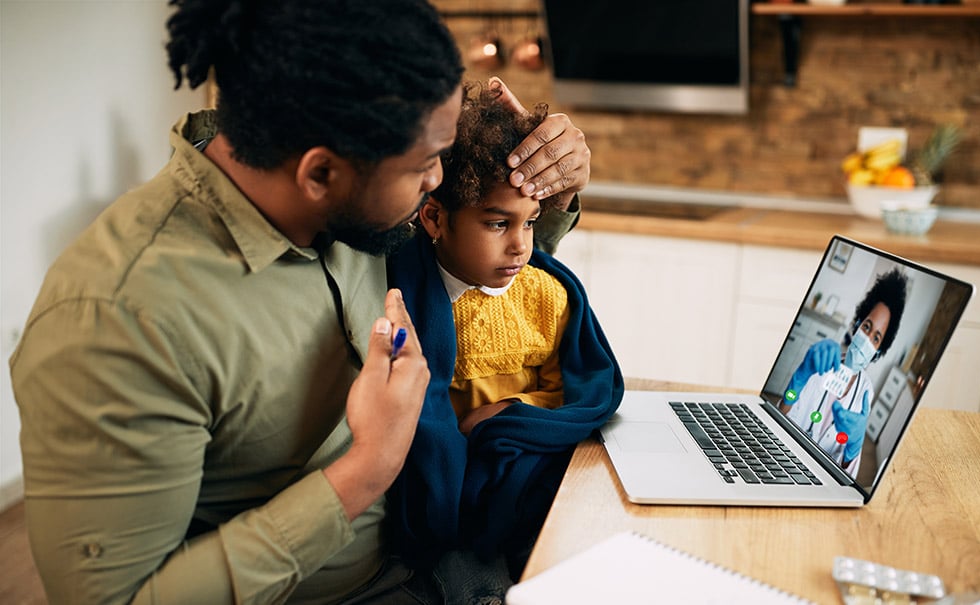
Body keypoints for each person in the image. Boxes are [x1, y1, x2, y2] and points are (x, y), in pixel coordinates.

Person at [7, 1, 594, 603]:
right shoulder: (118, 321)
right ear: (320, 175)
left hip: (439, 554)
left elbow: (469, 259)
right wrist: (366, 470)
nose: (437, 183)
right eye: (424, 165)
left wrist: (552, 184)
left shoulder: (351, 195)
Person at [385, 84, 623, 593]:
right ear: (434, 219)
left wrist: (510, 411)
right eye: (497, 223)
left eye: (532, 223)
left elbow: (569, 393)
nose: (521, 245)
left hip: (517, 476)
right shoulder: (399, 296)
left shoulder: (545, 297)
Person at [779, 269, 908, 476]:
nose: (867, 339)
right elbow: (782, 417)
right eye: (867, 326)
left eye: (876, 338)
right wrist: (799, 379)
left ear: (878, 352)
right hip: (785, 457)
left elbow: (846, 476)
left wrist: (852, 450)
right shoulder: (821, 363)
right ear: (857, 325)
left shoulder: (865, 394)